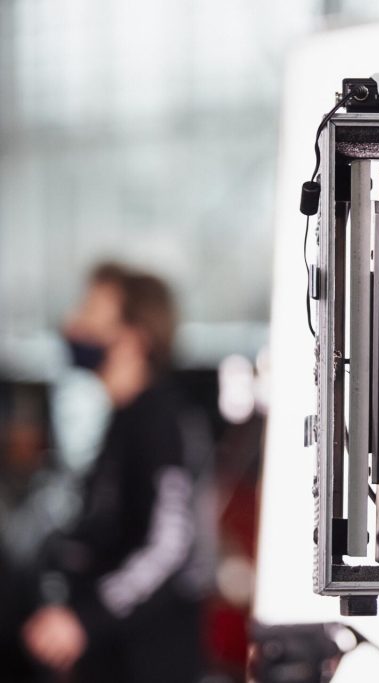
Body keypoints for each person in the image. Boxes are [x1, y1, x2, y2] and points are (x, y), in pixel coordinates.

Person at [20, 263, 210, 683]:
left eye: (91, 312)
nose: (73, 324)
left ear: (135, 336)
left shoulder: (158, 422)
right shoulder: (123, 422)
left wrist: (85, 622)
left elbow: (169, 547)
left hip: (149, 661)